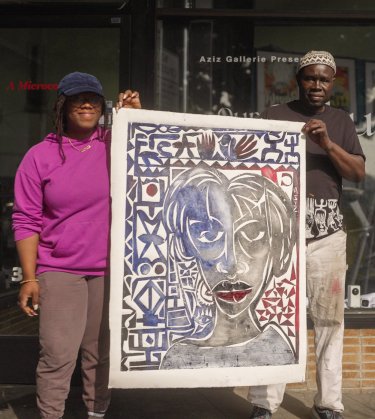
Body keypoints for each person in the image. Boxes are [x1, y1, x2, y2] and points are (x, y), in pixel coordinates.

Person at [12, 71, 141, 419]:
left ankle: (96, 413)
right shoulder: (40, 156)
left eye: (94, 99)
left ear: (102, 106)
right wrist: (29, 277)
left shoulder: (117, 144)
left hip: (110, 269)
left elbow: (154, 160)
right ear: (63, 105)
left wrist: (136, 118)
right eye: (77, 98)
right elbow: (26, 219)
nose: (86, 104)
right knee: (57, 354)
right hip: (59, 269)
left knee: (99, 354)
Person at [248, 51, 365, 419]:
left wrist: (328, 144)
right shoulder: (274, 115)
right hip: (278, 233)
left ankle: (329, 403)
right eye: (310, 78)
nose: (317, 85)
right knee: (274, 317)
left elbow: (358, 173)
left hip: (327, 236)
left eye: (324, 79)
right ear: (299, 80)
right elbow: (248, 164)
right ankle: (264, 403)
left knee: (330, 321)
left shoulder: (341, 120)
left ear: (333, 83)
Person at [160, 168, 297, 369]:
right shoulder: (176, 357)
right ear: (186, 246)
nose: (230, 264)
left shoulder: (279, 352)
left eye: (252, 235)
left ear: (280, 250)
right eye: (208, 235)